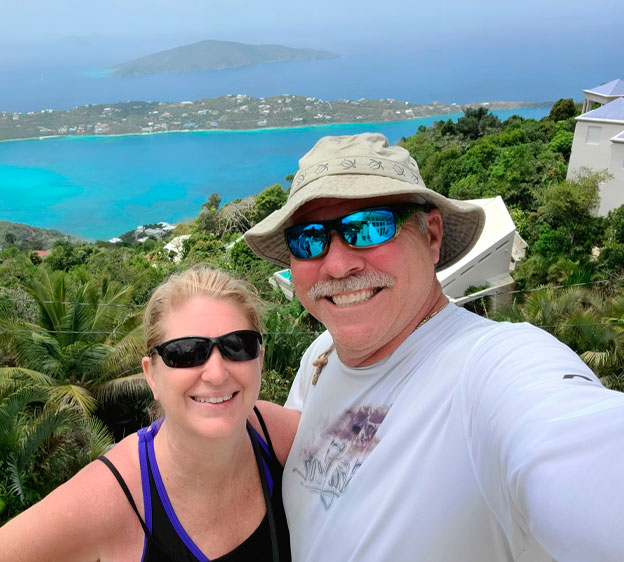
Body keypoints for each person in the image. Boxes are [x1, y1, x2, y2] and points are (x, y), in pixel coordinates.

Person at [244, 132, 624, 562]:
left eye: (370, 227)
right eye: (308, 239)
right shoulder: (321, 354)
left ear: (431, 236)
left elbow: (579, 452)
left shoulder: (491, 366)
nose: (337, 263)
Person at [0, 267, 298, 562]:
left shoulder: (280, 436)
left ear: (259, 358)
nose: (217, 373)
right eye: (186, 352)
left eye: (237, 346)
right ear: (151, 374)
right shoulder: (112, 498)